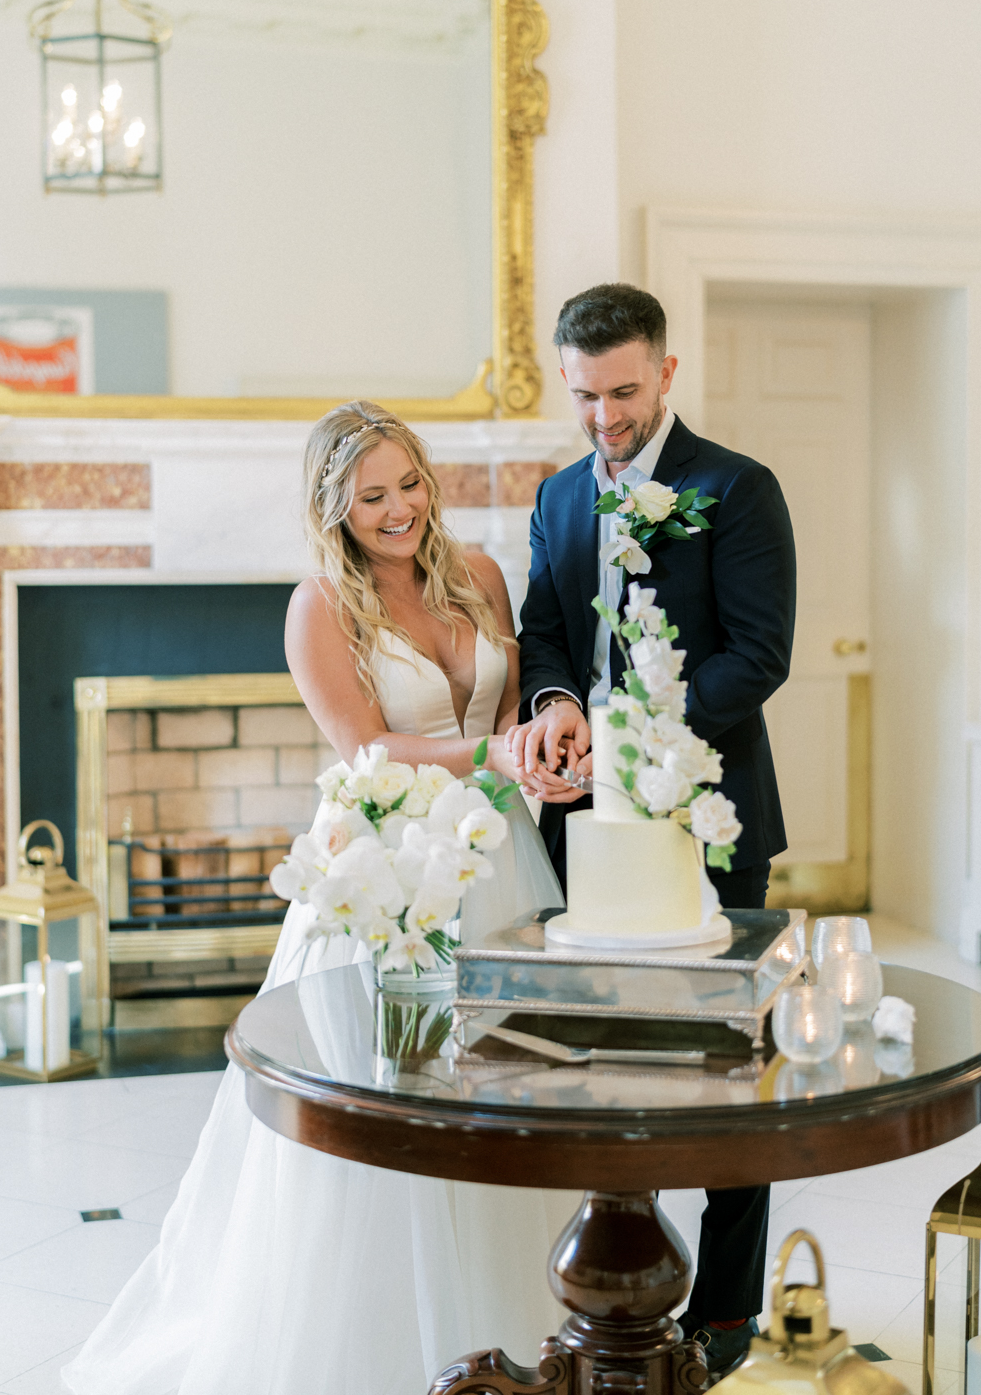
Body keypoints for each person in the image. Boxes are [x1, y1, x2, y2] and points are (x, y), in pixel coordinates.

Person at [63, 402, 572, 1395]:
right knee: (394, 1092)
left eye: (408, 486)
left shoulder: (480, 576)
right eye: (370, 497)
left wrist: (531, 752)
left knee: (505, 1087)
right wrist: (496, 753)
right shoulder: (319, 606)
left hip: (504, 857)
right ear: (332, 508)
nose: (397, 511)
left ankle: (523, 1325)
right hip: (393, 871)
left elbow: (510, 699)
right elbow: (368, 750)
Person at [507, 282, 798, 1377]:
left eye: (623, 391)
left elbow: (757, 655)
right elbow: (542, 634)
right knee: (604, 1063)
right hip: (583, 829)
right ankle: (616, 1290)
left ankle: (723, 1317)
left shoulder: (737, 488)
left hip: (711, 820)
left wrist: (637, 736)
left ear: (666, 373)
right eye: (585, 395)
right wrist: (557, 708)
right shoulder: (557, 496)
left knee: (727, 1070)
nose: (603, 417)